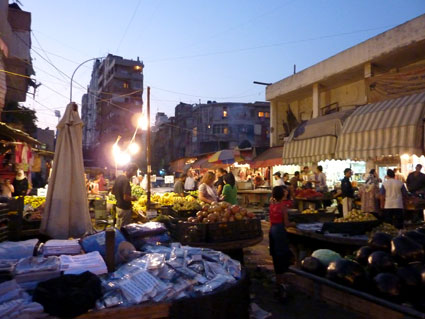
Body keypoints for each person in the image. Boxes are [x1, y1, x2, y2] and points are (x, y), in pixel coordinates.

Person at [269, 186, 296, 302]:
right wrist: (294, 223)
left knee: (276, 257)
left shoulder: (272, 204)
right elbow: (286, 223)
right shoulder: (283, 206)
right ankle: (283, 286)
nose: (286, 192)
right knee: (282, 258)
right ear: (282, 194)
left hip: (272, 231)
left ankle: (277, 284)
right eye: (284, 191)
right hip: (280, 231)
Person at [112, 163, 138, 229]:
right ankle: (123, 239)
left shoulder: (118, 178)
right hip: (124, 209)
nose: (134, 174)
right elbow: (126, 197)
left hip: (118, 207)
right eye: (135, 172)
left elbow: (112, 192)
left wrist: (119, 196)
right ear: (131, 170)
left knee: (118, 227)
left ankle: (118, 239)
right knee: (124, 229)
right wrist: (133, 198)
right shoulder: (126, 181)